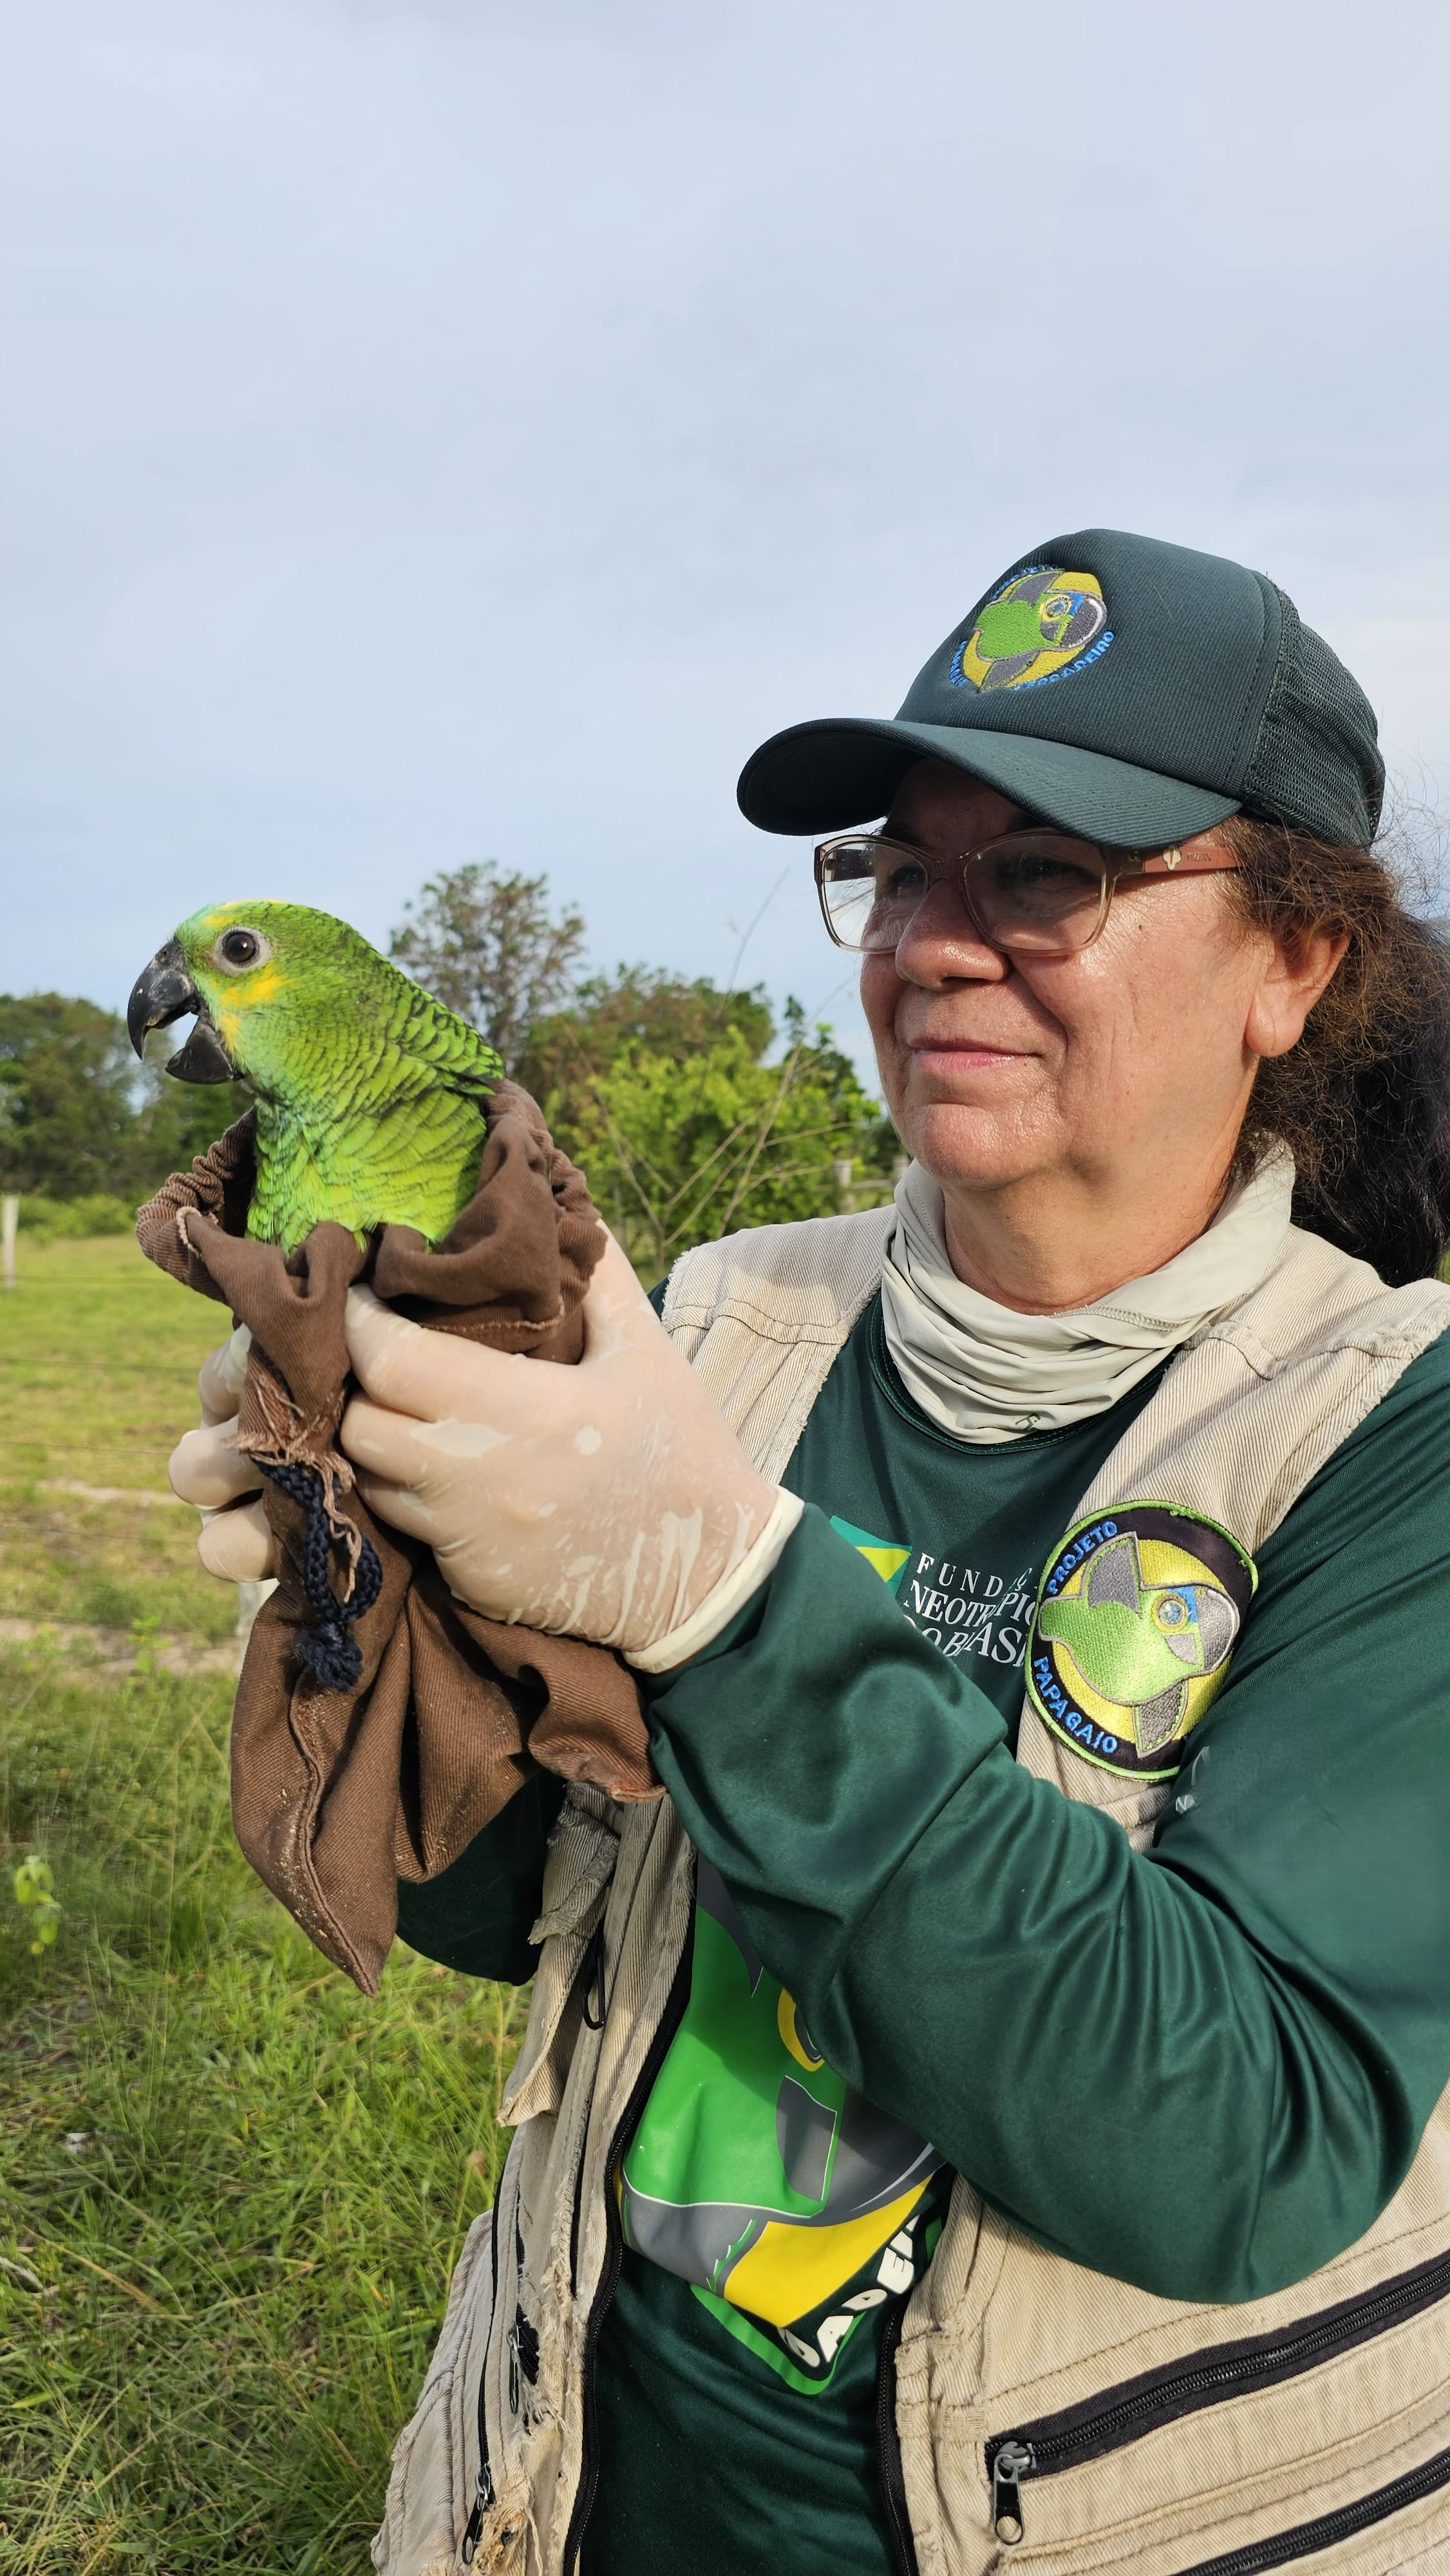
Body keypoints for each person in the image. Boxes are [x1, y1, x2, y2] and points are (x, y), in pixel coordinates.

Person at [177, 529, 1450, 2576]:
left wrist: (718, 1598)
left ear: (1294, 964)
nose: (933, 943)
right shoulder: (714, 1320)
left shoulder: (1393, 1432)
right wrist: (375, 1621)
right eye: (895, 868)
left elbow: (1237, 2147)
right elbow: (528, 1913)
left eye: (1042, 874)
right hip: (571, 2493)